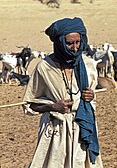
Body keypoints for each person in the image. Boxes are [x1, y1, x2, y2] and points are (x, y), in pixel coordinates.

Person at [23, 17, 103, 168]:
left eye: (77, 42)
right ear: (60, 43)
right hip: (55, 131)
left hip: (83, 127)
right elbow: (30, 104)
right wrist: (53, 107)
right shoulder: (44, 68)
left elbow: (91, 101)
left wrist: (91, 96)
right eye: (69, 43)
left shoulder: (88, 65)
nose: (74, 48)